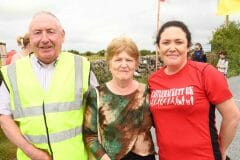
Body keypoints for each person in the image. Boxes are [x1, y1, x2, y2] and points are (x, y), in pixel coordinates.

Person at [0, 11, 98, 160]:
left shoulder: (82, 67)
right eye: (37, 33)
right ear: (30, 38)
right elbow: (4, 117)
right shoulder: (11, 73)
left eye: (50, 32)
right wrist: (31, 152)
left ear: (62, 35)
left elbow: (101, 112)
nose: (44, 39)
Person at [148, 20, 240, 160]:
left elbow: (232, 116)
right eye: (166, 42)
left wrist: (222, 149)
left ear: (188, 46)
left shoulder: (206, 73)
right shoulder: (153, 80)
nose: (172, 48)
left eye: (179, 42)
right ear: (158, 47)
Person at [83, 36, 155, 160]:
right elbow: (90, 136)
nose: (124, 65)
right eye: (118, 60)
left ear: (136, 63)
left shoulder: (148, 92)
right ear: (109, 63)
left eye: (129, 60)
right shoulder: (97, 94)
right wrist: (103, 157)